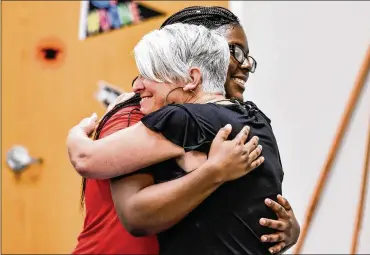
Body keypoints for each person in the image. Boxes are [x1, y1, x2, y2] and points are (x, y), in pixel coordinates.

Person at [72, 6, 299, 255]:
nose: (245, 65)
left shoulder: (235, 121)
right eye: (234, 51)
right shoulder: (140, 114)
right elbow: (135, 214)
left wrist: (283, 229)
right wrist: (215, 172)